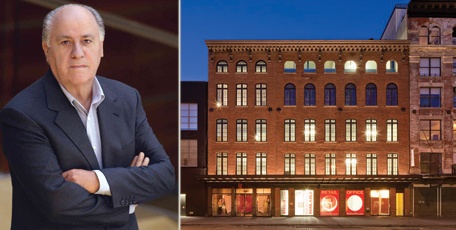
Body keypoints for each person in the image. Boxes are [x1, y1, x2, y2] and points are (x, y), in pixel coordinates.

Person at [0, 3, 175, 230]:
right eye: (65, 42)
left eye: (86, 41)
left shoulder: (127, 99)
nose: (77, 53)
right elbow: (58, 203)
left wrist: (96, 181)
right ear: (46, 49)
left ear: (101, 47)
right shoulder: (22, 115)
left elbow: (165, 175)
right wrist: (129, 198)